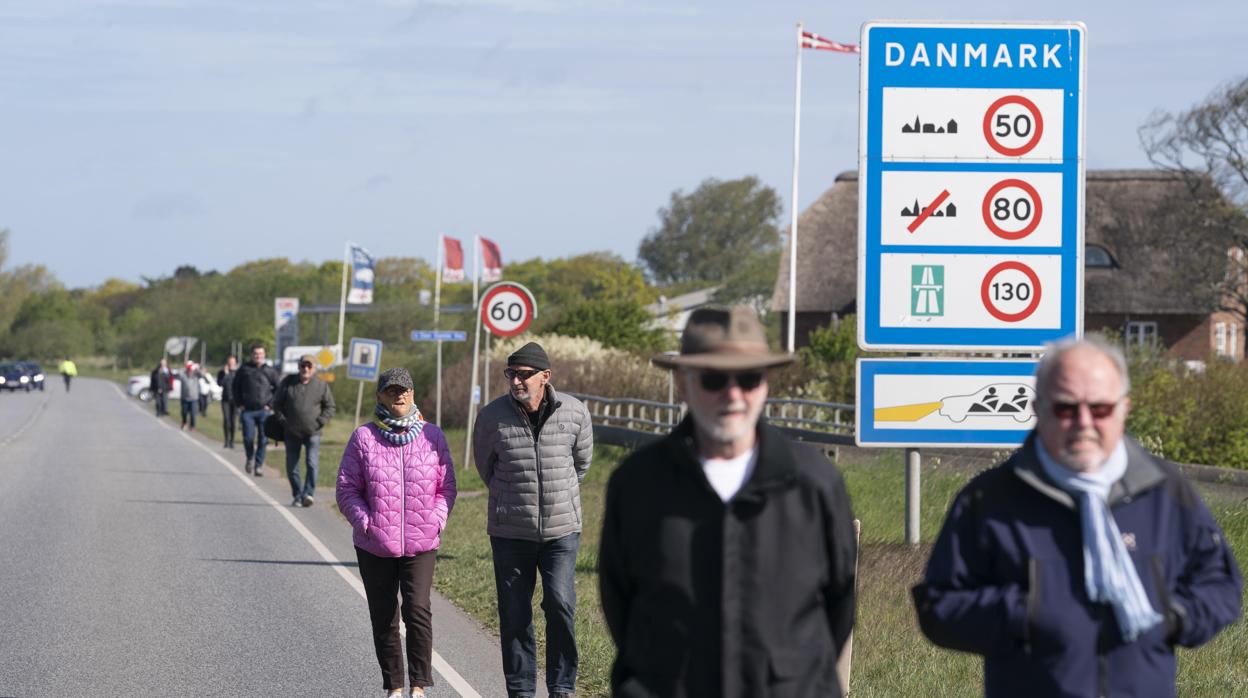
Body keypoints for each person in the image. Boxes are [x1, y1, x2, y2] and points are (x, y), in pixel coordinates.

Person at [912, 336, 1243, 697]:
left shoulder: (1165, 492)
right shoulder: (990, 500)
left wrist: (1175, 614)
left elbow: (1220, 584)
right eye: (1066, 409)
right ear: (1039, 408)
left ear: (1123, 409)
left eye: (1100, 409)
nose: (1083, 422)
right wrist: (1027, 611)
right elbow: (940, 606)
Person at [598, 305, 858, 697]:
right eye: (714, 379)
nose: (733, 395)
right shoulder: (637, 484)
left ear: (766, 384)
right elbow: (619, 599)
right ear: (683, 385)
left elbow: (839, 604)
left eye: (749, 378)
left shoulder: (814, 484)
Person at [472, 342, 593, 698]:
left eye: (525, 375)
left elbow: (581, 464)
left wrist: (557, 497)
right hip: (511, 532)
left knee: (560, 603)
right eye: (511, 374)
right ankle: (522, 690)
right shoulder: (492, 416)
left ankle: (561, 687)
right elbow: (486, 468)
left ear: (546, 377)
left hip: (561, 531)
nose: (517, 381)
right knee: (514, 614)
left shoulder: (575, 412)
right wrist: (513, 501)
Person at [337, 367, 457, 698]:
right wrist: (366, 523)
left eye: (405, 390)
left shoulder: (433, 436)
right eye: (392, 391)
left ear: (414, 394)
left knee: (417, 609)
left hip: (422, 542)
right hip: (375, 544)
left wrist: (436, 519)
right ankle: (394, 685)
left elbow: (446, 486)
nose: (399, 395)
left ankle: (419, 685)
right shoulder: (364, 437)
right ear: (380, 397)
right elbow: (347, 489)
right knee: (385, 617)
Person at [274, 354, 336, 507]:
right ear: (298, 367)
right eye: (303, 365)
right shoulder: (288, 383)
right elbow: (277, 405)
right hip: (291, 432)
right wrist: (283, 421)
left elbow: (330, 407)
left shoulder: (321, 385)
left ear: (314, 368)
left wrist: (320, 421)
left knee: (312, 463)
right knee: (292, 466)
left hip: (313, 432)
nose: (305, 369)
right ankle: (297, 494)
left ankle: (308, 493)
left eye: (309, 366)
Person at [233, 344, 279, 476]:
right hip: (247, 411)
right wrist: (239, 403)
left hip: (264, 411)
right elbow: (235, 387)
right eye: (255, 354)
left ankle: (259, 465)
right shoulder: (244, 369)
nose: (258, 356)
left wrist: (270, 405)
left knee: (263, 439)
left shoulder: (270, 371)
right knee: (248, 438)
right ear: (251, 355)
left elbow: (278, 389)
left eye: (260, 354)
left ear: (264, 355)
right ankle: (249, 458)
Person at [217, 355, 239, 448]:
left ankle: (232, 441)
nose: (231, 364)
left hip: (235, 400)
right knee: (226, 420)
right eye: (229, 362)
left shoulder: (238, 373)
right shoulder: (222, 372)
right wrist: (225, 374)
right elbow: (220, 384)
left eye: (233, 363)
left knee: (233, 421)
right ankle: (226, 440)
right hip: (225, 399)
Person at [179, 361, 204, 431]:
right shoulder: (183, 375)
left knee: (193, 414)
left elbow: (202, 375)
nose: (190, 371)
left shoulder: (196, 375)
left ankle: (192, 426)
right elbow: (179, 373)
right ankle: (184, 422)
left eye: (191, 369)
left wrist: (197, 369)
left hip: (193, 398)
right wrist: (186, 367)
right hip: (184, 398)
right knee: (184, 412)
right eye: (189, 369)